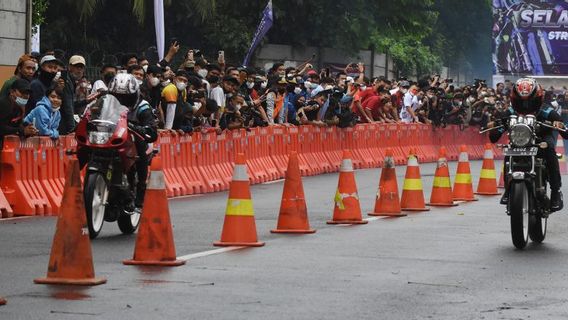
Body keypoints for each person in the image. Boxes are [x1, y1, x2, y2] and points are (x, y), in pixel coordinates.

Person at [488, 78, 568, 212]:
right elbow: (494, 136)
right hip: (519, 140)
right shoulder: (510, 112)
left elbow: (565, 130)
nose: (525, 105)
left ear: (538, 98)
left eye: (529, 102)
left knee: (549, 149)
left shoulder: (547, 111)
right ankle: (508, 190)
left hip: (541, 139)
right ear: (515, 99)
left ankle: (555, 192)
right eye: (521, 102)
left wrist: (559, 125)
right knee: (509, 150)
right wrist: (494, 127)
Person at [107, 73, 158, 213]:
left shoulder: (143, 106)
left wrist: (139, 128)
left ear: (134, 95)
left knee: (140, 144)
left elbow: (152, 131)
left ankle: (140, 191)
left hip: (136, 140)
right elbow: (91, 112)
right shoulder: (105, 102)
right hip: (111, 138)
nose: (121, 101)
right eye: (117, 97)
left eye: (126, 97)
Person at [0, 79, 38, 148]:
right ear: (12, 92)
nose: (26, 96)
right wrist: (22, 131)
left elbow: (16, 125)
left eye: (27, 93)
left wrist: (29, 129)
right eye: (22, 92)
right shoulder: (3, 104)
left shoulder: (19, 106)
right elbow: (2, 127)